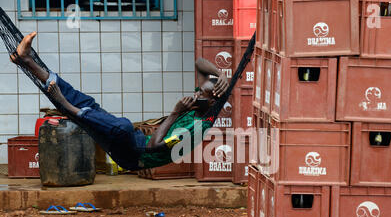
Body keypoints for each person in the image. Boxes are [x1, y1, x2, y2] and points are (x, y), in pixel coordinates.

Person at [9, 32, 230, 171]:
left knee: (122, 126)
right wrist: (221, 76)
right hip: (136, 141)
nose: (196, 95)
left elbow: (153, 147)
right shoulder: (204, 103)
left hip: (135, 156)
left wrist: (175, 111)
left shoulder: (197, 128)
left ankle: (68, 108)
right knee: (87, 103)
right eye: (198, 91)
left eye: (201, 95)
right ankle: (26, 60)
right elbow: (201, 62)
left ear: (211, 103)